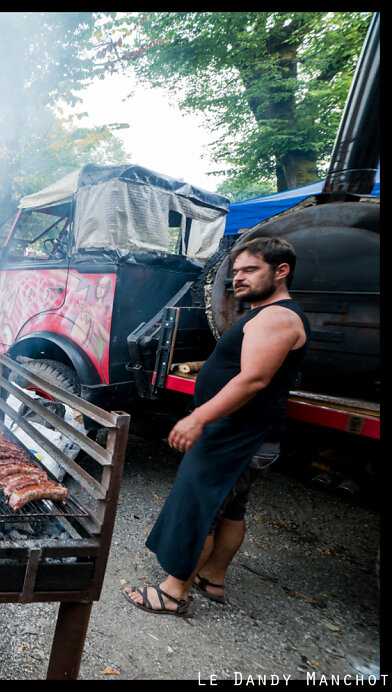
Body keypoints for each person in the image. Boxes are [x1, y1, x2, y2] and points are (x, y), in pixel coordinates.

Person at [123, 236, 310, 617]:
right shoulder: (267, 314)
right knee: (231, 510)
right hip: (245, 434)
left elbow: (253, 379)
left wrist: (198, 417)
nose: (237, 278)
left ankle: (173, 593)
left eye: (250, 270)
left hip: (236, 436)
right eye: (236, 271)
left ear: (281, 270)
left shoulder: (277, 316)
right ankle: (212, 578)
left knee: (200, 509)